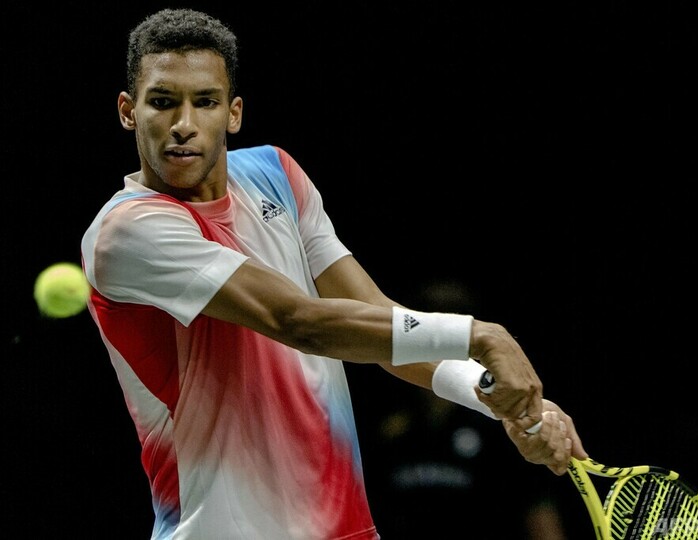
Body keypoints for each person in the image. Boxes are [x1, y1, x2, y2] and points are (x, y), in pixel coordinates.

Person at [80, 8, 587, 539]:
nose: (184, 124)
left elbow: (380, 319)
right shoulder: (127, 231)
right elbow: (300, 321)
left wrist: (493, 396)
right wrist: (478, 335)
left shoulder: (276, 174)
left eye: (204, 102)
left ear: (233, 113)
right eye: (163, 101)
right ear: (128, 111)